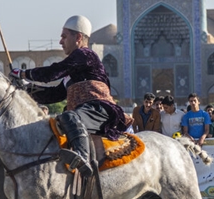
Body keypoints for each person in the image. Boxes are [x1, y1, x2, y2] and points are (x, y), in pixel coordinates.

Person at [11, 15, 128, 177]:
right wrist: (25, 89)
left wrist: (24, 73)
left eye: (64, 37)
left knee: (69, 117)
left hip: (99, 109)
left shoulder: (85, 55)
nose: (60, 42)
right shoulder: (73, 70)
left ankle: (82, 158)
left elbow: (53, 72)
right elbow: (53, 94)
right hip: (83, 113)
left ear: (78, 37)